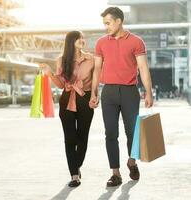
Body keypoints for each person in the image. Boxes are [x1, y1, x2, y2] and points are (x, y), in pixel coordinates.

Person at [89, 7, 153, 187]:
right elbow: (97, 69)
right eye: (104, 24)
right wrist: (94, 92)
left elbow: (143, 69)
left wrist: (149, 92)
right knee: (110, 133)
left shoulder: (136, 42)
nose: (106, 27)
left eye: (108, 23)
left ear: (119, 21)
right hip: (108, 92)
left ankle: (132, 162)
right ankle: (115, 173)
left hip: (129, 92)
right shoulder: (101, 42)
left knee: (132, 132)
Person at [40, 31, 94, 187]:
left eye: (83, 38)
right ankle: (74, 174)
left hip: (85, 98)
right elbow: (61, 84)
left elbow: (96, 80)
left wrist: (95, 96)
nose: (82, 40)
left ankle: (76, 164)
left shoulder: (91, 59)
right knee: (70, 139)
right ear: (71, 41)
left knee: (82, 137)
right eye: (78, 38)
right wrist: (49, 73)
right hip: (67, 99)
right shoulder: (62, 60)